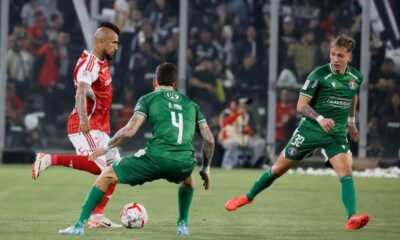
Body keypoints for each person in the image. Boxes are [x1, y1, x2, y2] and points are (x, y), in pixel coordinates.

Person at [225, 34, 370, 230]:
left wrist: (351, 122)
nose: (335, 59)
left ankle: (352, 217)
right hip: (310, 130)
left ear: (349, 57)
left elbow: (352, 96)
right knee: (277, 169)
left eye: (340, 56)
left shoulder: (355, 77)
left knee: (346, 171)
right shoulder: (318, 75)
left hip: (335, 134)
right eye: (333, 54)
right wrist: (320, 118)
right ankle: (248, 196)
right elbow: (301, 106)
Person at [58, 63, 215, 236]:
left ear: (154, 82)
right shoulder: (191, 104)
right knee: (188, 179)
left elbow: (129, 131)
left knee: (107, 175)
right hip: (184, 162)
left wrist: (105, 147)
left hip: (155, 159)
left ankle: (79, 226)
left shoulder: (148, 99)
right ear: (175, 85)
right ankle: (182, 226)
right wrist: (206, 169)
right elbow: (209, 140)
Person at [32, 22, 122, 228]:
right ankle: (48, 159)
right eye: (114, 42)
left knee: (116, 169)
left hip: (100, 128)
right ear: (100, 41)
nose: (116, 47)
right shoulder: (88, 64)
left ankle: (97, 216)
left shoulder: (102, 61)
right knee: (98, 167)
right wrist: (83, 119)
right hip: (85, 125)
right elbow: (81, 91)